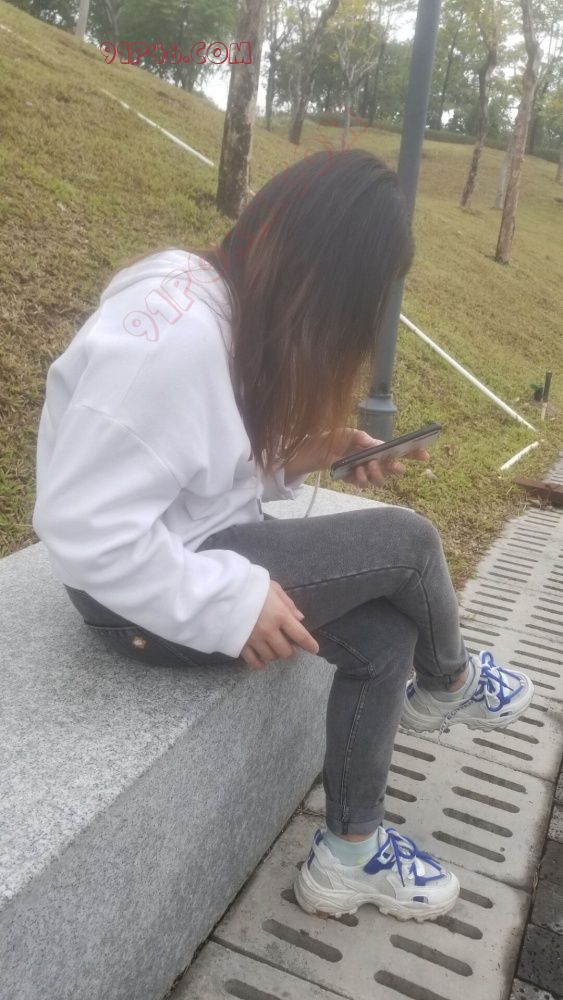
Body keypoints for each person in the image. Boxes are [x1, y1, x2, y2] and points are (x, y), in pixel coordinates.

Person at [32, 148, 533, 924]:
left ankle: (349, 853)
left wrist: (308, 453)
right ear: (319, 283)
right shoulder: (171, 342)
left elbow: (195, 466)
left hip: (189, 549)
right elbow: (80, 523)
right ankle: (449, 685)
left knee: (384, 638)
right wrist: (227, 602)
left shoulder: (215, 298)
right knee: (408, 543)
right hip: (140, 602)